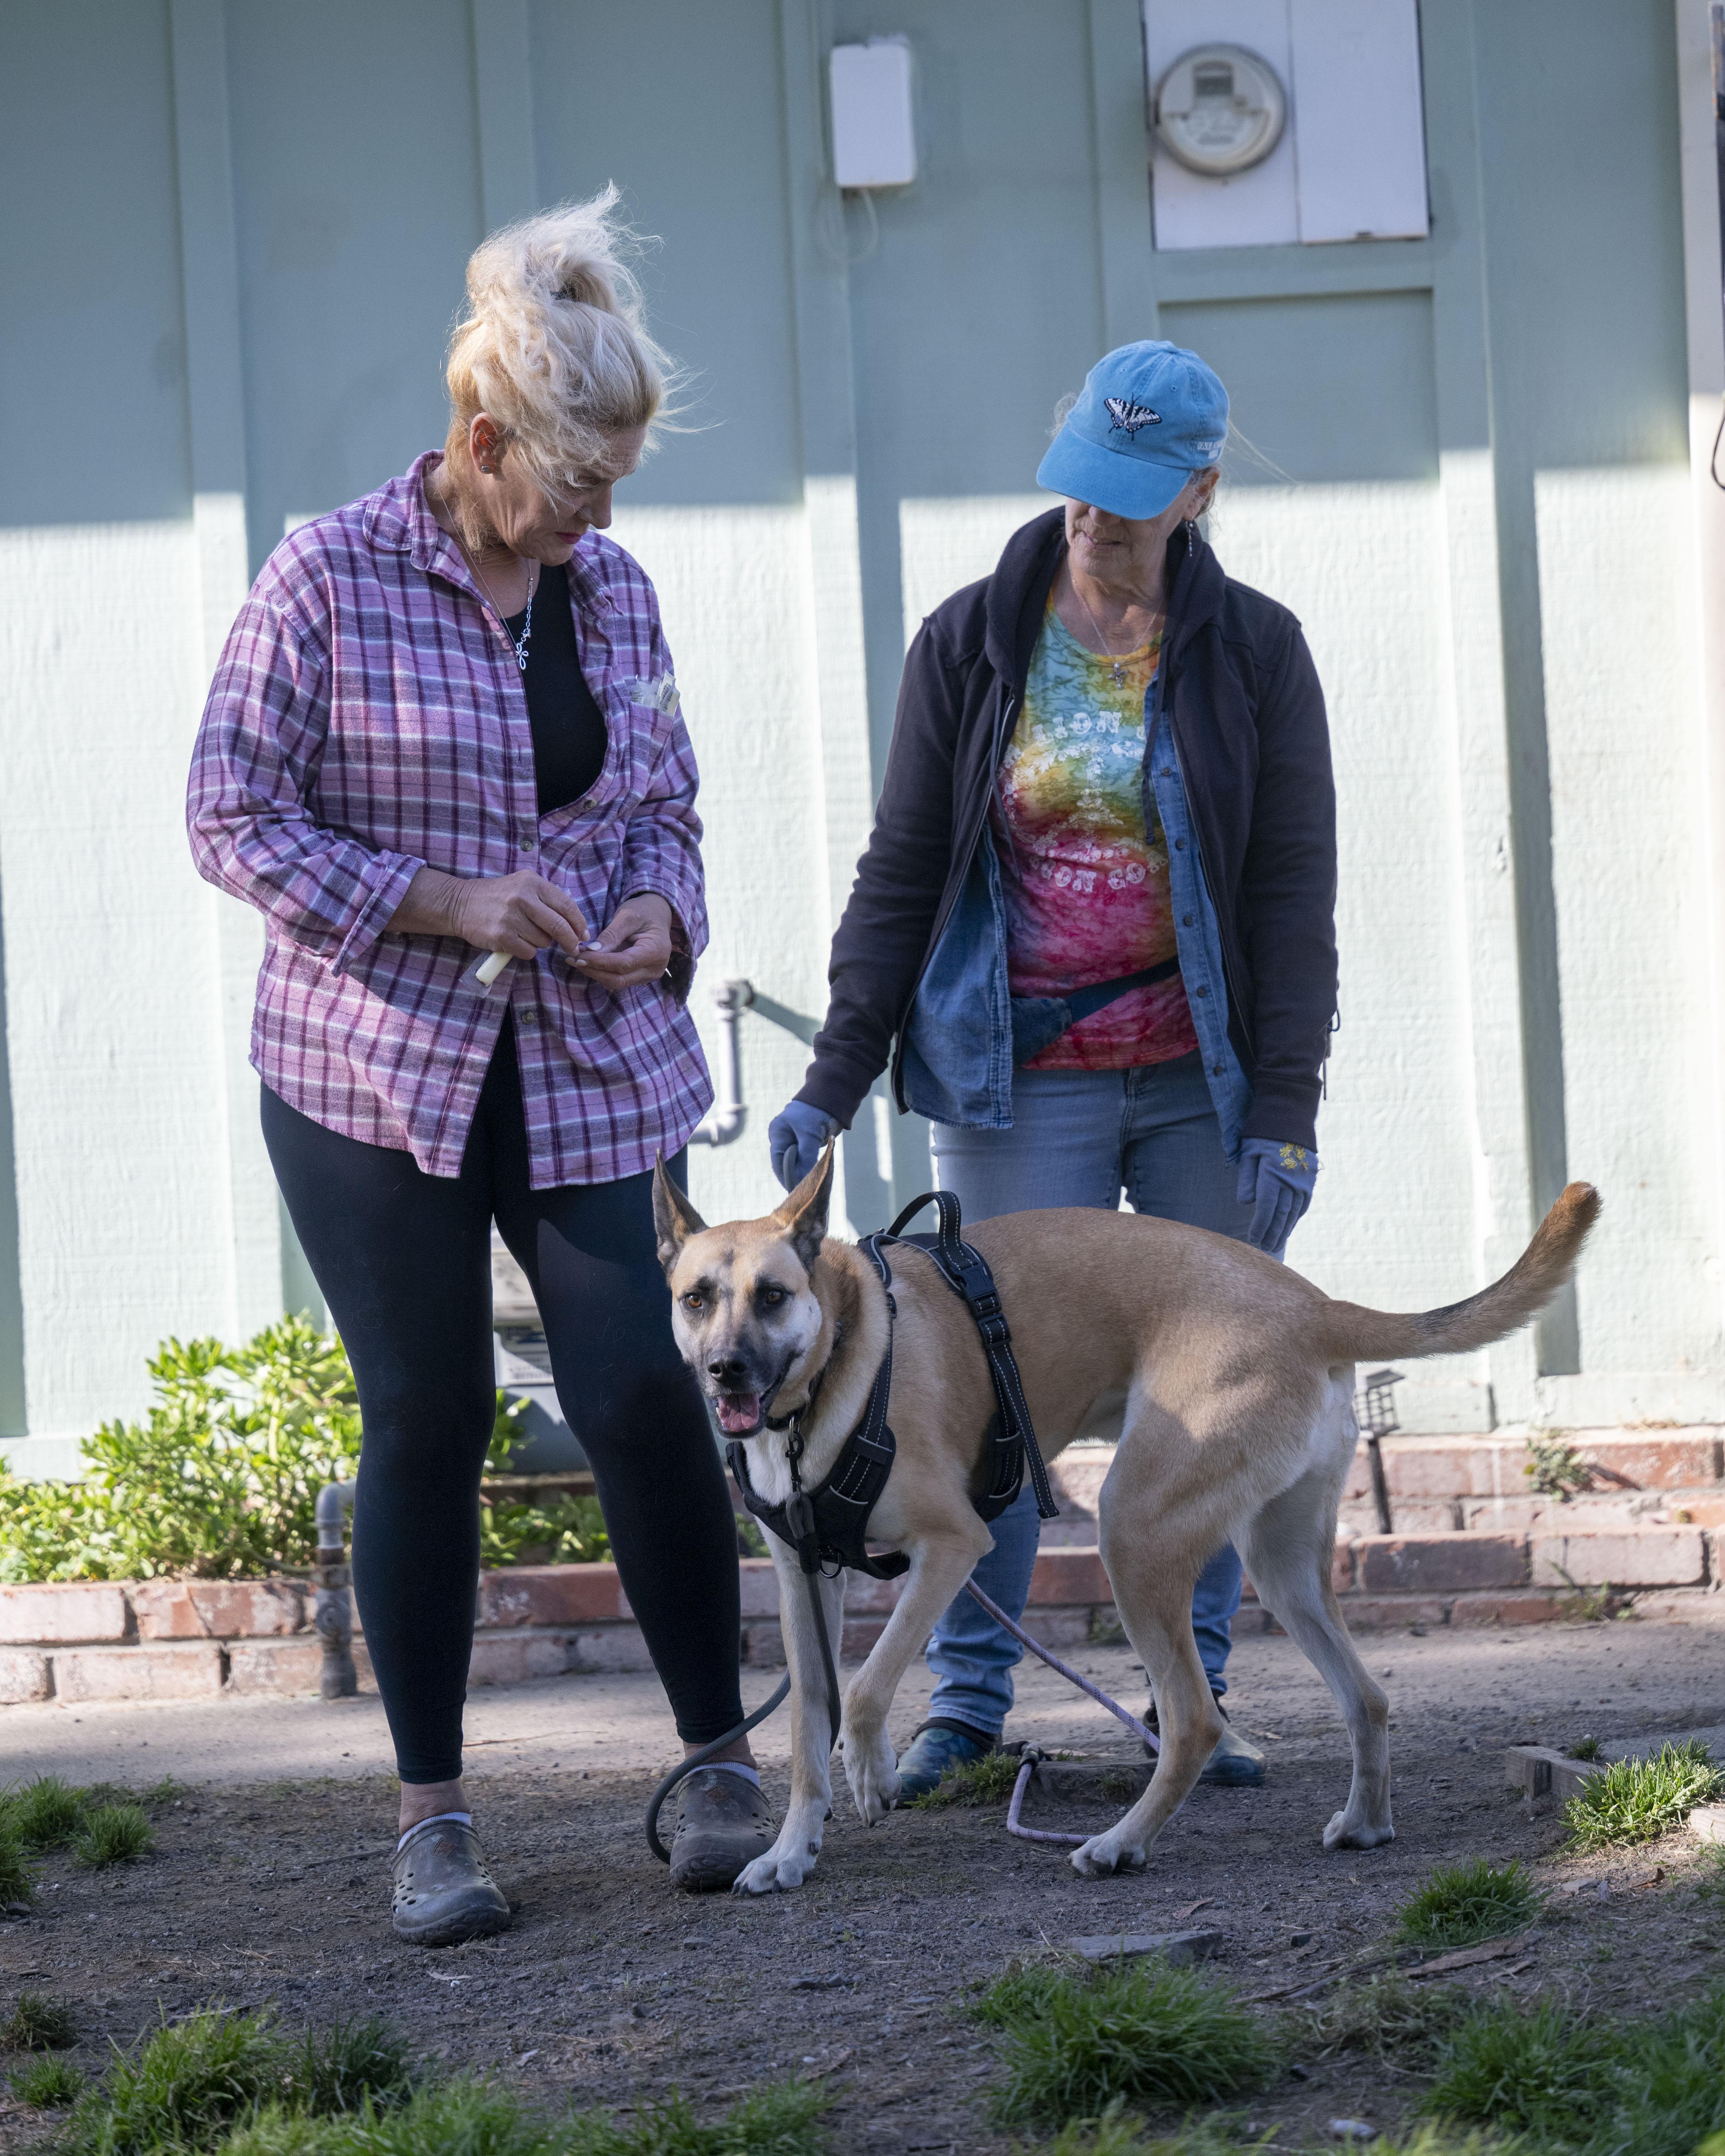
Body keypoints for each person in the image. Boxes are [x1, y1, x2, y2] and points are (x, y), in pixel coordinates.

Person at [188, 191, 774, 1942]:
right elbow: (230, 812)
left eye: (619, 481)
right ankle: (434, 1818)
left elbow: (664, 800)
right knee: (427, 1416)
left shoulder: (615, 589)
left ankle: (720, 1760)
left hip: (591, 1054)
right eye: (580, 478)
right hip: (372, 1075)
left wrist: (664, 915)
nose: (605, 511)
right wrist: (439, 899)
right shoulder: (325, 575)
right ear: (483, 442)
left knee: (643, 1389)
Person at [768, 340, 1337, 1796]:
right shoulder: (972, 642)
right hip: (1020, 1081)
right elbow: (902, 873)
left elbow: (1291, 892)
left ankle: (1189, 1694)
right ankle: (969, 1694)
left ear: (1200, 491)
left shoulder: (1257, 651)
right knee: (988, 1401)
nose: (1096, 522)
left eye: (1133, 502)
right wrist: (835, 1074)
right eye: (1081, 489)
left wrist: (1285, 1110)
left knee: (1202, 1399)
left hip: (1204, 1082)